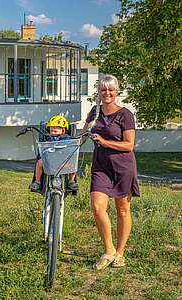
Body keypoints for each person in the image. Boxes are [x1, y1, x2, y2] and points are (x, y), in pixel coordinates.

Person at [83, 74, 139, 270]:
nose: (107, 93)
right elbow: (83, 134)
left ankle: (120, 253)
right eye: (103, 89)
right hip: (100, 167)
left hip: (123, 167)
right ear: (98, 92)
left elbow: (129, 145)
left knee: (123, 210)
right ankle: (109, 250)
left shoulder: (125, 114)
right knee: (98, 208)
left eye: (111, 90)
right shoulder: (94, 112)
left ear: (117, 92)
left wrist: (105, 142)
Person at [30, 115, 78, 192]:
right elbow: (44, 149)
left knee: (73, 163)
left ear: (63, 131)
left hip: (63, 162)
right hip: (50, 162)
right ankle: (37, 182)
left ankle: (71, 181)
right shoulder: (48, 138)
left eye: (55, 131)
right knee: (39, 162)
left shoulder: (67, 138)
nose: (52, 133)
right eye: (51, 131)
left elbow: (72, 146)